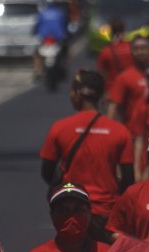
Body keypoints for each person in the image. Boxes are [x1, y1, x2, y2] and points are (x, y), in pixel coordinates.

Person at [39, 70, 134, 237]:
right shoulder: (120, 131)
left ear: (76, 94)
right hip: (106, 212)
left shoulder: (59, 128)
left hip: (70, 209)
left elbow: (47, 172)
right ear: (101, 95)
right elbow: (128, 179)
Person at [16, 182, 110, 252]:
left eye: (78, 210)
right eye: (63, 211)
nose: (71, 216)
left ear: (89, 214)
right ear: (52, 216)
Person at [106, 35, 149, 123]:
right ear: (131, 51)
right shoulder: (123, 77)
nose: (140, 52)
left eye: (144, 48)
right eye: (136, 49)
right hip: (132, 131)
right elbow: (113, 108)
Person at [33, 0, 70, 80]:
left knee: (36, 54)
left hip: (44, 38)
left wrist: (34, 33)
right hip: (58, 38)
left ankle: (37, 70)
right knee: (65, 52)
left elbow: (36, 26)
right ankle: (64, 67)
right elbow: (65, 26)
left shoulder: (41, 13)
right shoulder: (61, 13)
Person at [96, 19, 132, 86]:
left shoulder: (106, 51)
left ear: (110, 32)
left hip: (112, 88)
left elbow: (101, 74)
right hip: (131, 87)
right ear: (123, 30)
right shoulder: (132, 47)